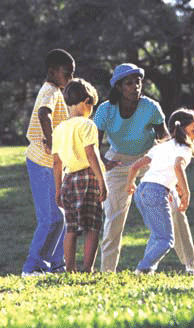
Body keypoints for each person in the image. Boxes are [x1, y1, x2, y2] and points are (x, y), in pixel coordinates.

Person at [94, 63, 194, 274]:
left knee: (176, 210)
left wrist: (175, 179)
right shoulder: (105, 110)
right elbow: (94, 143)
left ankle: (191, 264)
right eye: (129, 83)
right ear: (118, 87)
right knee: (114, 217)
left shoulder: (150, 106)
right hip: (117, 160)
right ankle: (107, 272)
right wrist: (103, 162)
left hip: (149, 158)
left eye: (138, 82)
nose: (136, 86)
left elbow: (164, 139)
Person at [126, 109, 194, 274]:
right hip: (157, 191)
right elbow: (178, 166)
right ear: (181, 129)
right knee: (165, 240)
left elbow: (135, 166)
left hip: (143, 190)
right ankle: (143, 268)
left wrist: (130, 183)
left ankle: (151, 269)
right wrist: (186, 193)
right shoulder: (184, 148)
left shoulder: (161, 147)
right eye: (193, 130)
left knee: (158, 235)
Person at [22, 49, 75, 277]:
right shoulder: (50, 91)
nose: (70, 78)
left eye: (73, 73)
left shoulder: (56, 91)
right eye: (67, 72)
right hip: (41, 162)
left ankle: (56, 265)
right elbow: (44, 113)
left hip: (52, 165)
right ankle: (33, 267)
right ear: (53, 71)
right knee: (51, 218)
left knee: (60, 218)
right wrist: (52, 143)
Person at [52, 78, 107, 273]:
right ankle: (87, 268)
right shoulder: (87, 125)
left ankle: (70, 269)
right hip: (88, 178)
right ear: (87, 102)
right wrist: (101, 181)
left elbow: (57, 162)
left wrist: (58, 189)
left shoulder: (59, 129)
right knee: (92, 226)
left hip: (68, 180)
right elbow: (91, 153)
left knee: (71, 227)